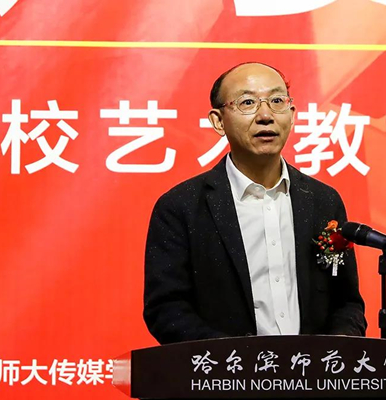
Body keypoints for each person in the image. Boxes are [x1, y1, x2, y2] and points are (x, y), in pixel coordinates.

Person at [143, 62, 366, 344]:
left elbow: (347, 303)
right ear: (218, 121)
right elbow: (166, 310)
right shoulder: (181, 207)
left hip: (312, 370)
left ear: (292, 115)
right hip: (226, 369)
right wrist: (238, 358)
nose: (265, 116)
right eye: (247, 103)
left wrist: (334, 349)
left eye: (277, 101)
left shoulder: (323, 200)